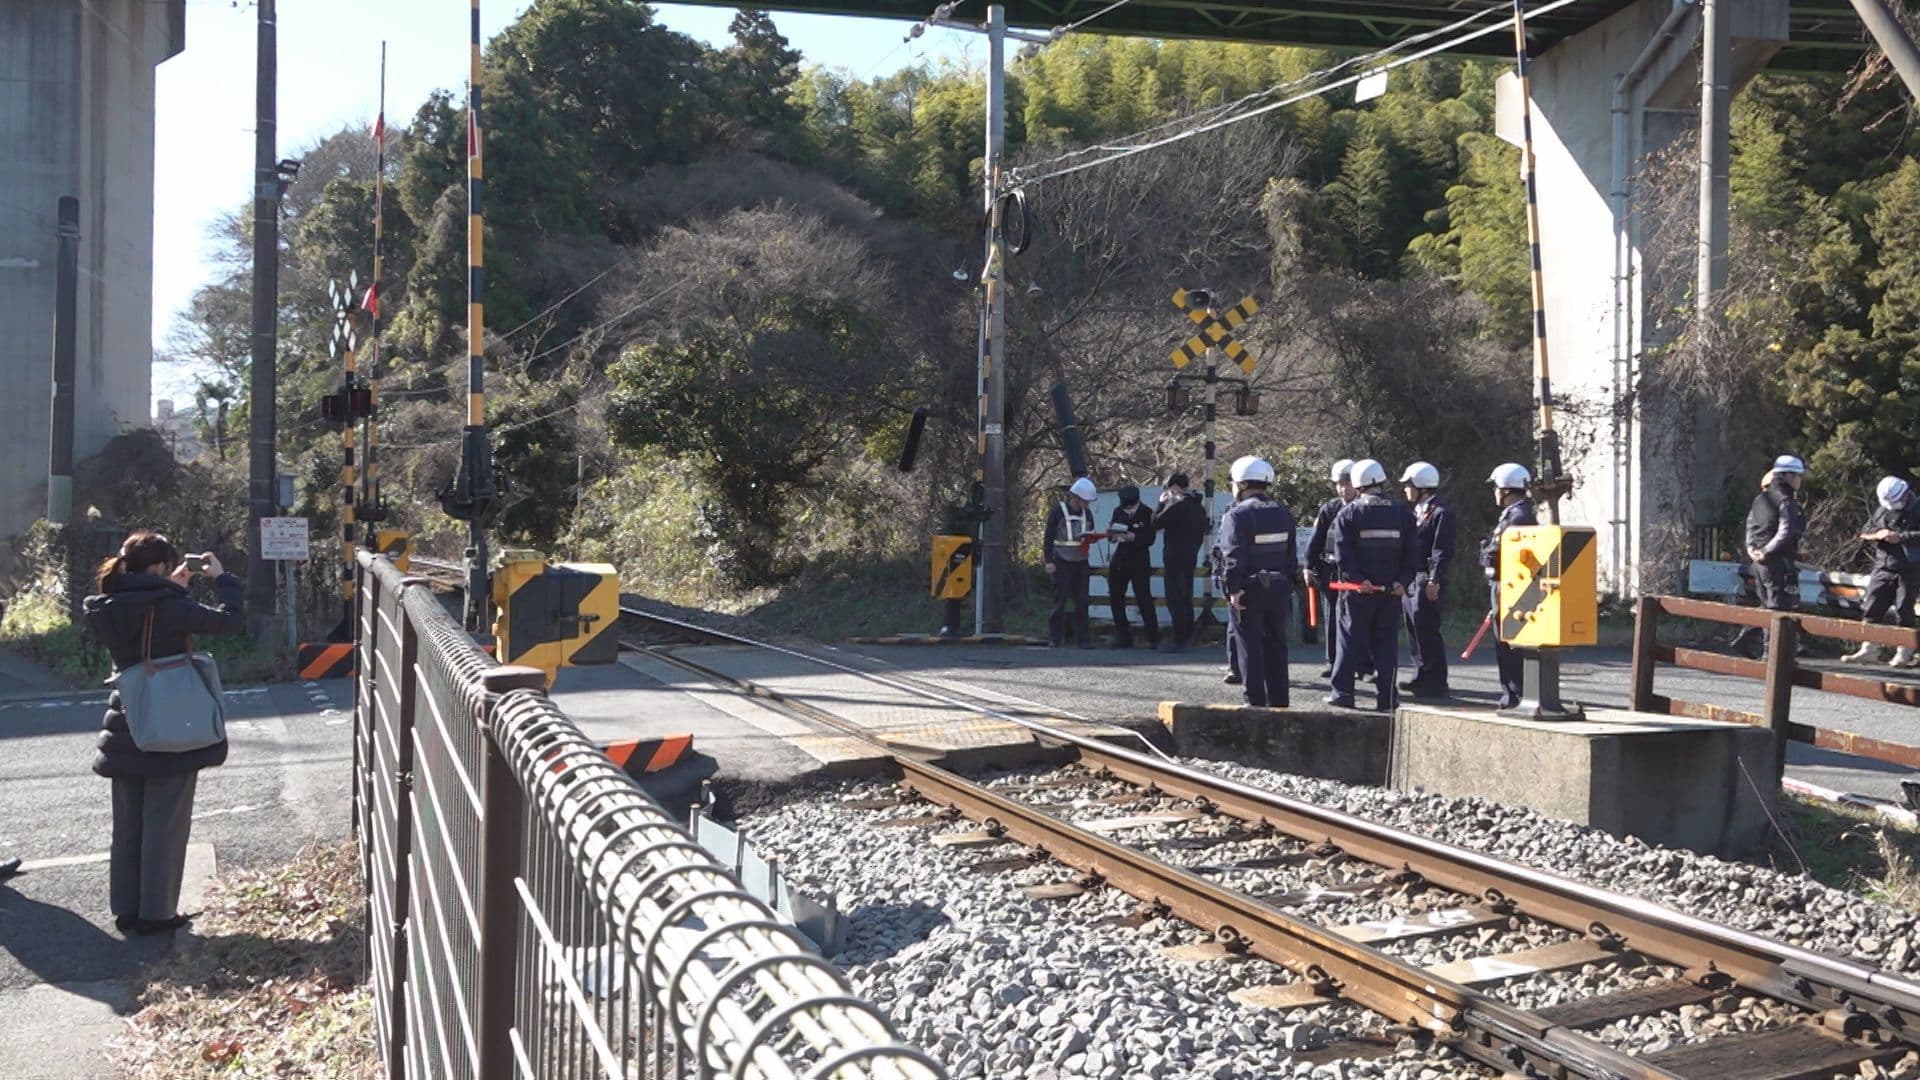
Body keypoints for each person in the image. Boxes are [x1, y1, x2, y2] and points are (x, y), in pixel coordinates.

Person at [82, 531, 242, 936]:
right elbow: (231, 621)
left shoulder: (106, 604)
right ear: (159, 567)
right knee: (165, 825)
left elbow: (143, 616)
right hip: (172, 723)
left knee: (129, 826)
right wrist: (223, 579)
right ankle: (156, 914)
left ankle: (127, 910)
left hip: (126, 722)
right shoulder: (170, 606)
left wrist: (171, 591)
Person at [1328, 460, 1419, 711]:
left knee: (1349, 641)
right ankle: (1387, 698)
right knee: (1386, 645)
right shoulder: (1402, 512)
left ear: (1357, 484)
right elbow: (1413, 553)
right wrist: (1402, 581)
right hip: (1391, 592)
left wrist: (1358, 579)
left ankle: (1343, 693)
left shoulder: (1349, 513)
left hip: (1359, 592)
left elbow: (1343, 554)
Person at [1219, 456, 1297, 708]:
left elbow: (1233, 556)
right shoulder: (1283, 512)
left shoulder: (1238, 515)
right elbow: (1291, 555)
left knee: (1249, 646)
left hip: (1249, 589)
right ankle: (1280, 702)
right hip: (1279, 587)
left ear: (1241, 485)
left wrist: (1232, 589)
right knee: (1277, 645)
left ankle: (1254, 702)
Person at [1731, 455, 1808, 659]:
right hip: (1777, 562)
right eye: (1798, 475)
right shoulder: (1786, 501)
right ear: (1789, 475)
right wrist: (1766, 551)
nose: (1800, 480)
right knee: (1780, 608)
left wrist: (1751, 549)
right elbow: (1786, 531)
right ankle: (1772, 656)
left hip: (1758, 562)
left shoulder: (1761, 498)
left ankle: (1745, 641)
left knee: (1767, 605)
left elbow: (1750, 525)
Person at [1842, 476, 1920, 667]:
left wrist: (1900, 537)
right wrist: (1877, 534)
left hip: (1909, 568)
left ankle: (1904, 651)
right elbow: (1866, 529)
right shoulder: (1882, 509)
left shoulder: (1917, 509)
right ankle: (1869, 649)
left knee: (1904, 609)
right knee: (1872, 605)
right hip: (1883, 565)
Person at [1480, 463, 1537, 709]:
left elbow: (1507, 553)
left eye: (1495, 487)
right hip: (1504, 584)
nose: (1494, 492)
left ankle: (1514, 693)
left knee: (1510, 642)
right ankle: (1511, 692)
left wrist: (1488, 553)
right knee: (1505, 640)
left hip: (1510, 586)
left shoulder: (1519, 517)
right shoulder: (1514, 514)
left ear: (1505, 490)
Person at [1399, 462, 1456, 697]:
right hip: (1413, 576)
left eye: (1408, 485)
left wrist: (1434, 579)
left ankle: (1436, 679)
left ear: (1421, 487)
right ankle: (1421, 673)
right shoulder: (1418, 511)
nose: (1405, 489)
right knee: (1414, 628)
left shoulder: (1440, 513)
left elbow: (1441, 550)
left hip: (1426, 576)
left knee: (1427, 627)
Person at [1304, 458, 1356, 679]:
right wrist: (1308, 566)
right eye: (1339, 483)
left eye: (1348, 482)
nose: (1344, 488)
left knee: (1359, 619)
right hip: (1331, 569)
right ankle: (1332, 660)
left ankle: (1363, 664)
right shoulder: (1329, 509)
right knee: (1332, 617)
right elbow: (1315, 541)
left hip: (1356, 572)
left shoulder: (1365, 507)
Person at [1153, 472, 1207, 652]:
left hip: (1174, 555)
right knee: (1186, 596)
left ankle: (1179, 639)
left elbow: (1155, 523)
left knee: (1175, 597)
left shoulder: (1176, 504)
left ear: (1174, 487)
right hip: (1191, 555)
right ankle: (1188, 636)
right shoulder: (1198, 506)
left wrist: (1161, 503)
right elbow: (1205, 528)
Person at [1044, 477, 1099, 649]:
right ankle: (1055, 638)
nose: (1087, 504)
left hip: (1081, 562)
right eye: (1085, 500)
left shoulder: (1087, 513)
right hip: (1061, 561)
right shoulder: (1058, 511)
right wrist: (1049, 561)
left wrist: (1092, 538)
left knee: (1082, 601)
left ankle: (1083, 639)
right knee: (1059, 601)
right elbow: (1048, 537)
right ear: (1075, 497)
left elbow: (1090, 532)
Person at [1106, 485, 1160, 649]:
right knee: (1116, 598)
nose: (1127, 508)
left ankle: (1153, 637)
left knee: (1143, 598)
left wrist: (1134, 537)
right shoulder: (1118, 511)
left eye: (1130, 505)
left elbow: (1150, 539)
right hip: (1120, 558)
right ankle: (1123, 636)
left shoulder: (1147, 513)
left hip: (1139, 560)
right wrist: (1112, 535)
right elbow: (1113, 534)